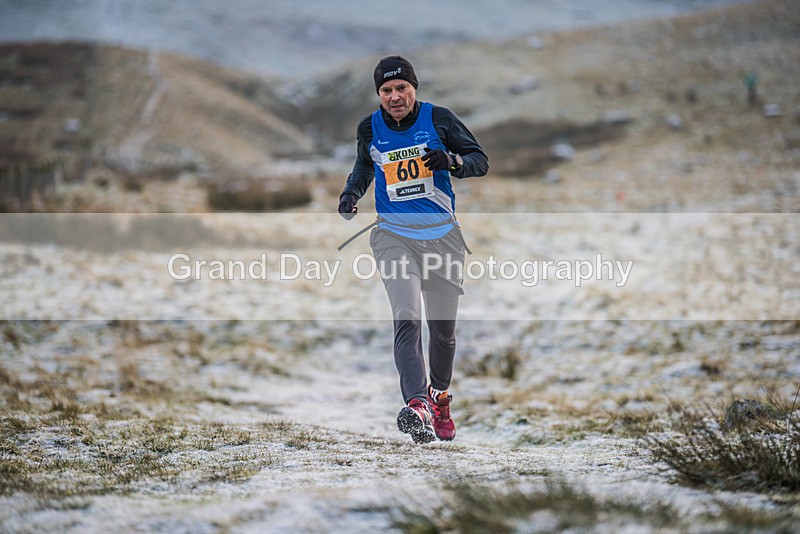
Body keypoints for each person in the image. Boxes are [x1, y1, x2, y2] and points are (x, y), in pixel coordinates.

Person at [337, 55, 488, 443]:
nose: (394, 96)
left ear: (413, 88)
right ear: (379, 95)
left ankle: (439, 397)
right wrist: (351, 193)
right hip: (393, 237)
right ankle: (417, 404)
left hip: (442, 238)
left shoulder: (439, 119)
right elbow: (365, 166)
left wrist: (452, 160)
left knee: (443, 333)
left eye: (401, 88)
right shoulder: (369, 128)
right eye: (386, 90)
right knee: (407, 317)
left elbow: (480, 161)